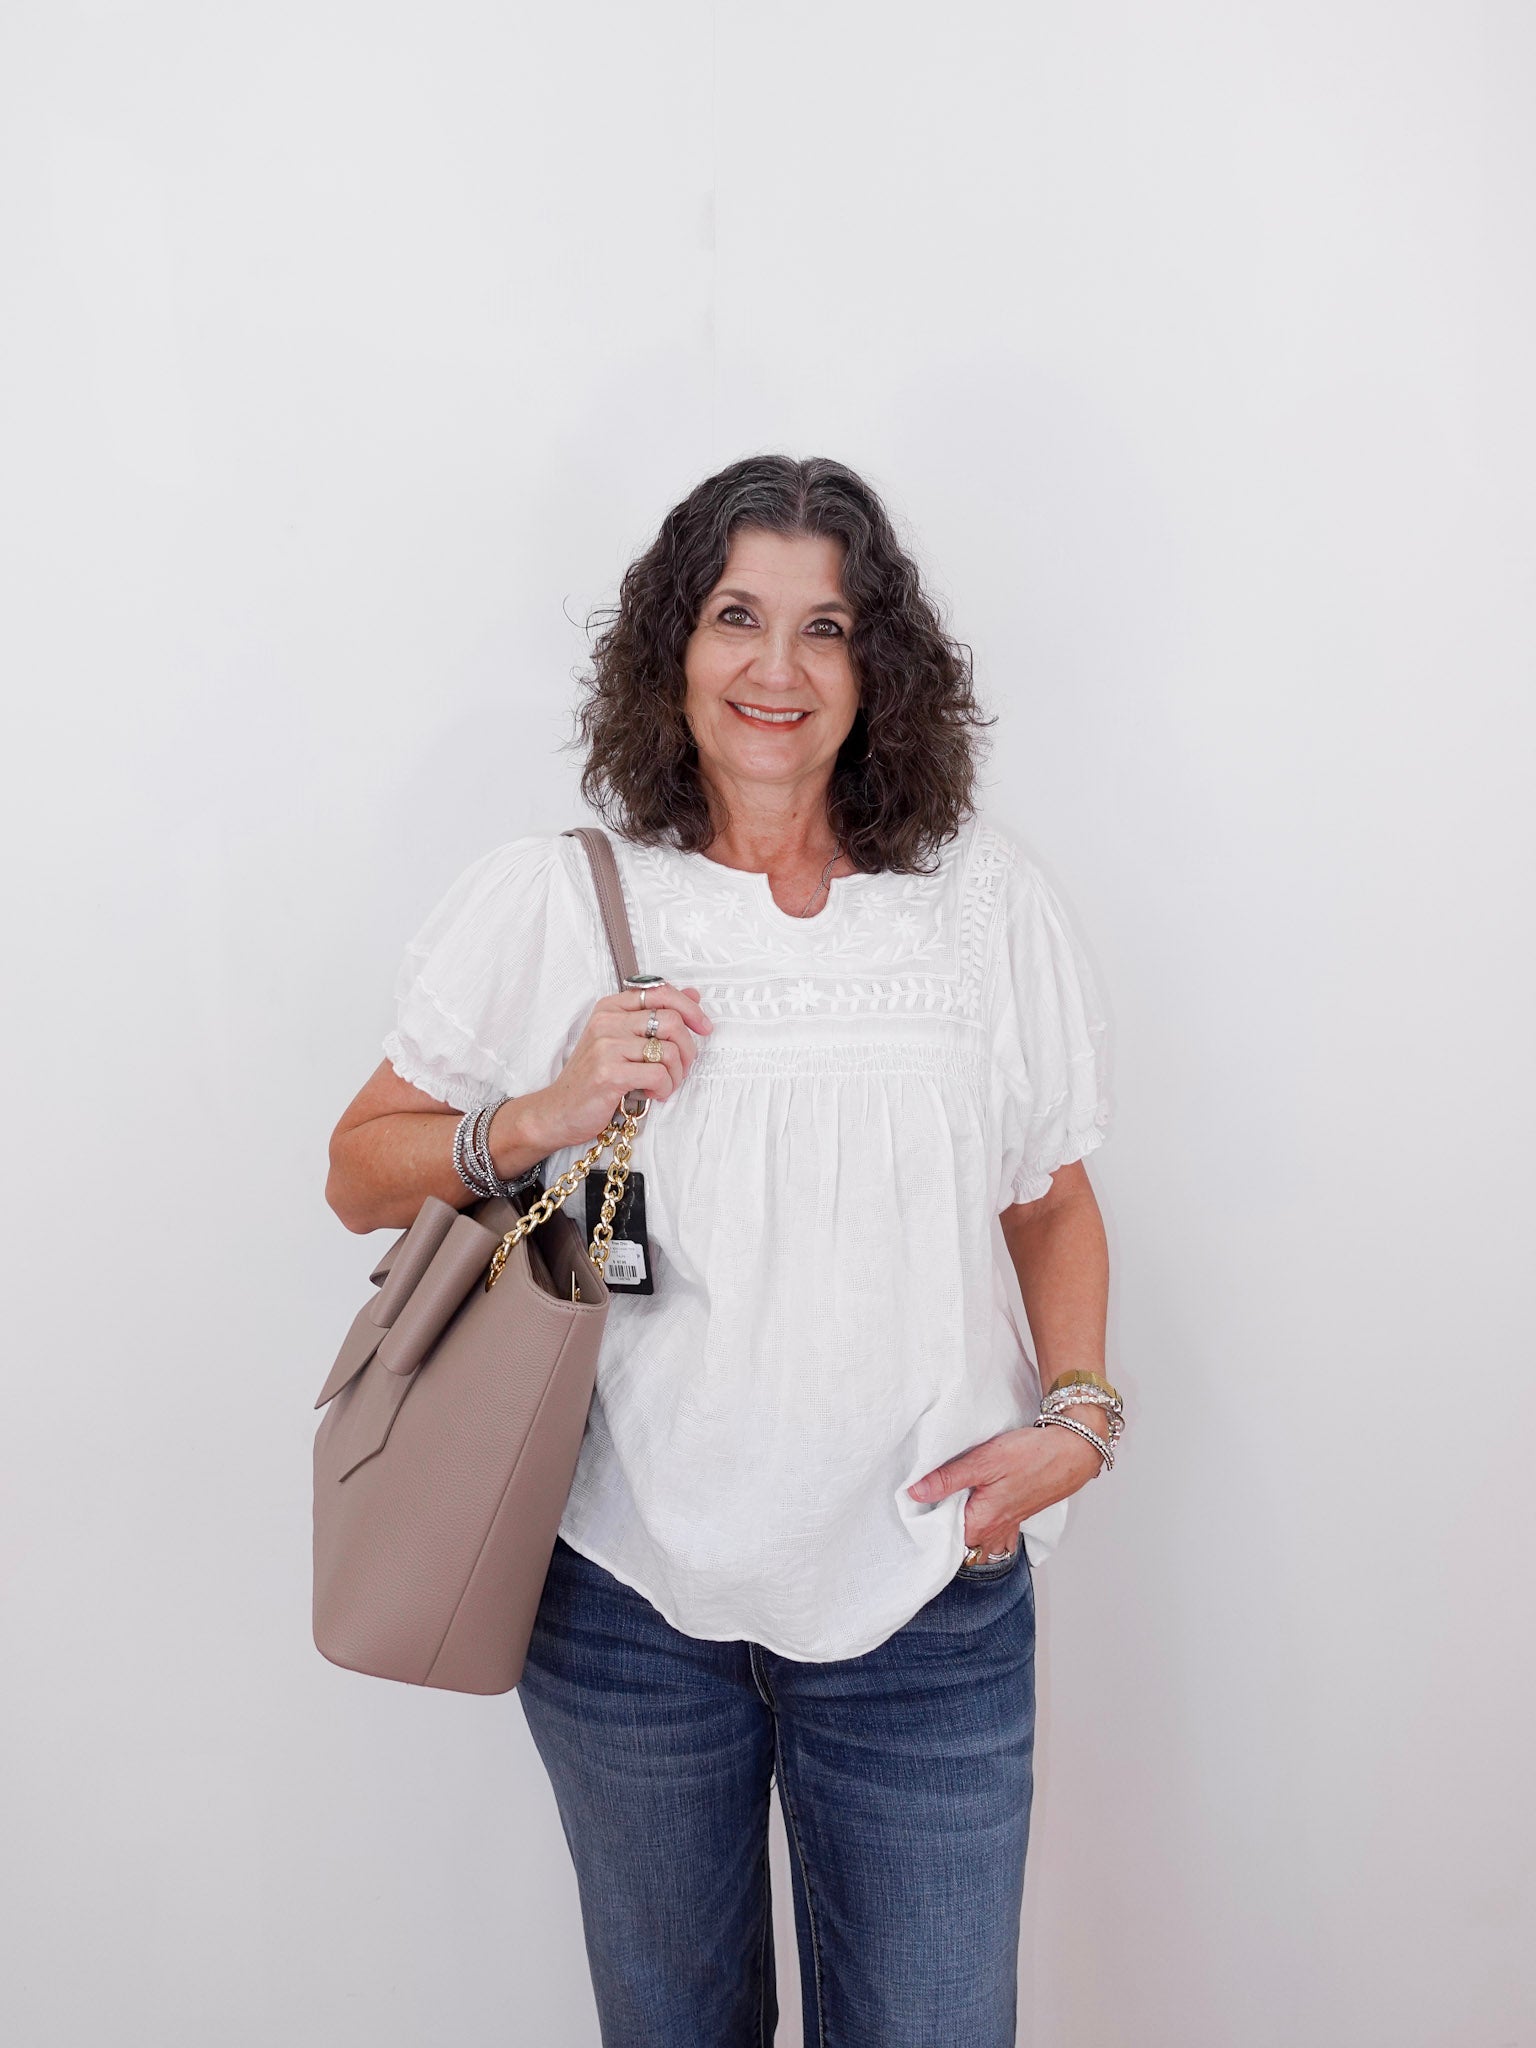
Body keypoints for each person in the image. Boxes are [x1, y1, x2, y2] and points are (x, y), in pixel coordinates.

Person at [325, 453, 1122, 2048]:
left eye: (824, 630)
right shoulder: (561, 897)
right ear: (669, 650)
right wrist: (546, 1109)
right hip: (627, 1606)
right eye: (735, 617)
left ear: (876, 666)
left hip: (928, 1596)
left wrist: (1079, 1423)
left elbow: (1046, 1197)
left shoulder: (981, 908)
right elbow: (359, 1168)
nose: (775, 668)